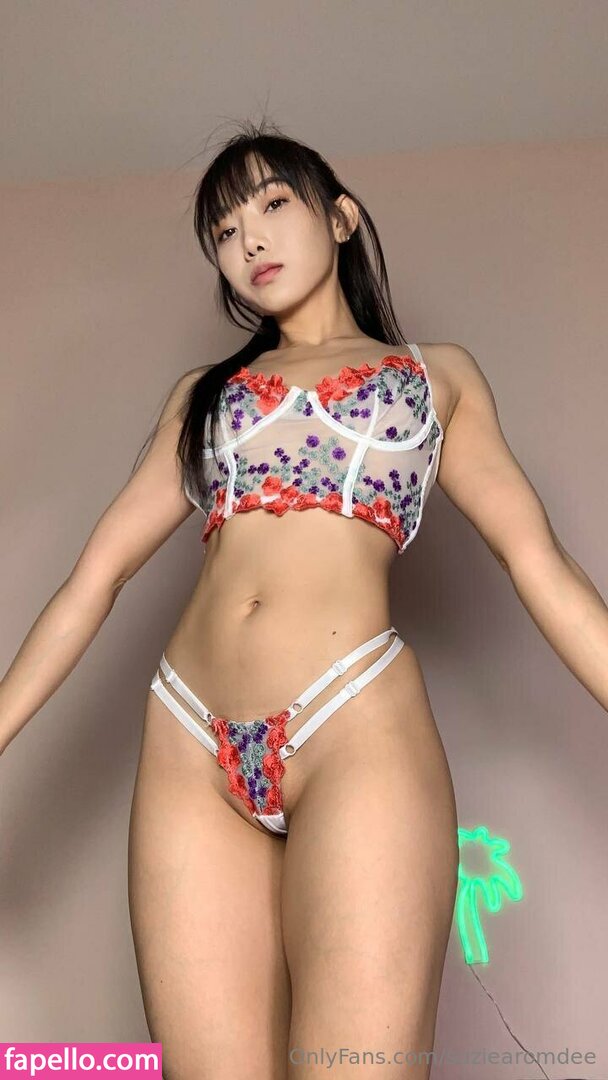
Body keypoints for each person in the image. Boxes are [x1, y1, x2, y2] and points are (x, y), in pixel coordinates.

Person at [2, 120, 607, 1080]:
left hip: (352, 720)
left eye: (273, 203)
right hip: (188, 735)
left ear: (341, 216)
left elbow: (537, 561)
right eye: (224, 230)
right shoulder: (204, 395)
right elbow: (94, 577)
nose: (249, 239)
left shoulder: (434, 378)